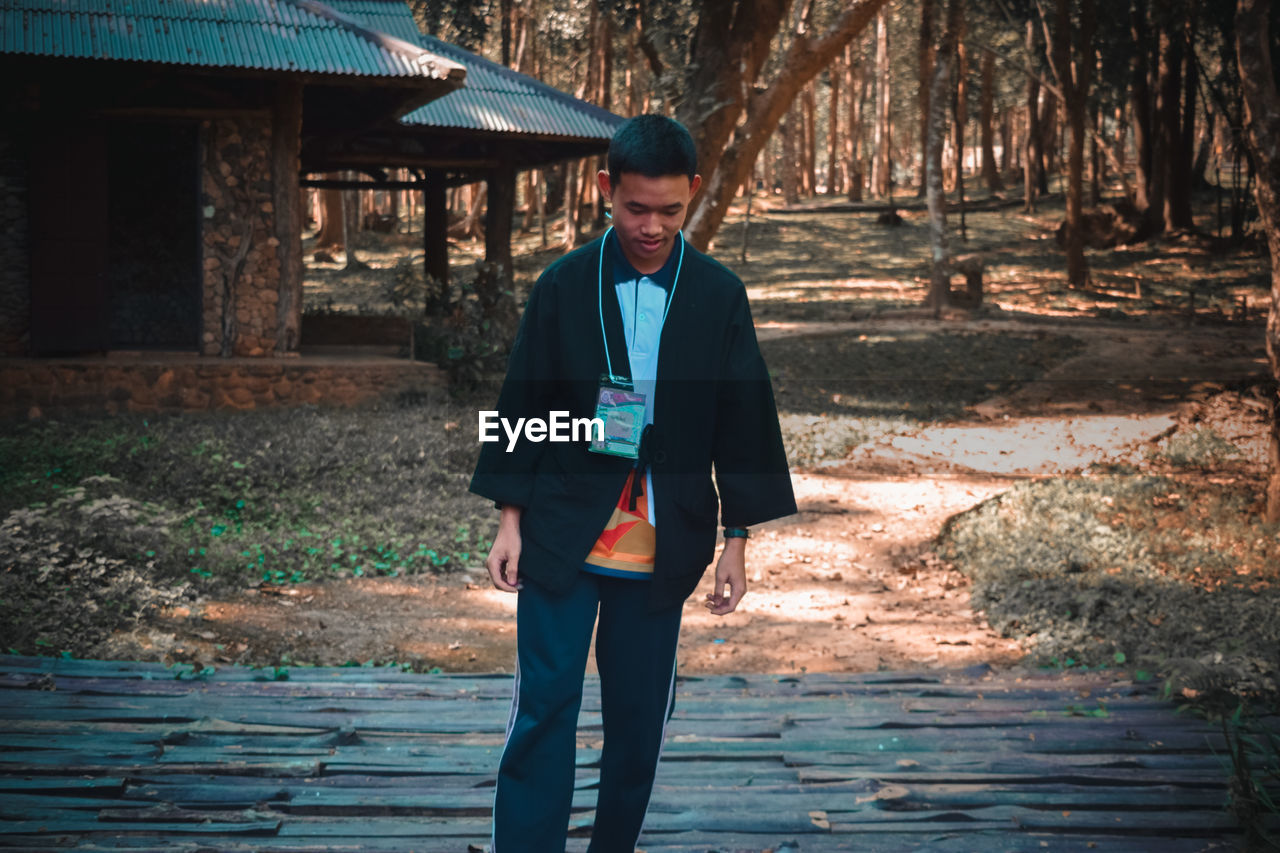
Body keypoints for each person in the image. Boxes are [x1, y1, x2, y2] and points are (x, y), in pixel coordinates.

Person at [470, 114, 796, 852]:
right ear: (605, 190)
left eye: (670, 210)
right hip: (560, 532)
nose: (651, 226)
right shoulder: (562, 285)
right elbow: (526, 400)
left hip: (664, 539)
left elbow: (741, 418)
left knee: (639, 716)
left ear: (694, 195)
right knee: (545, 707)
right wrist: (509, 518)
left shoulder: (718, 294)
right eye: (635, 207)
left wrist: (736, 542)